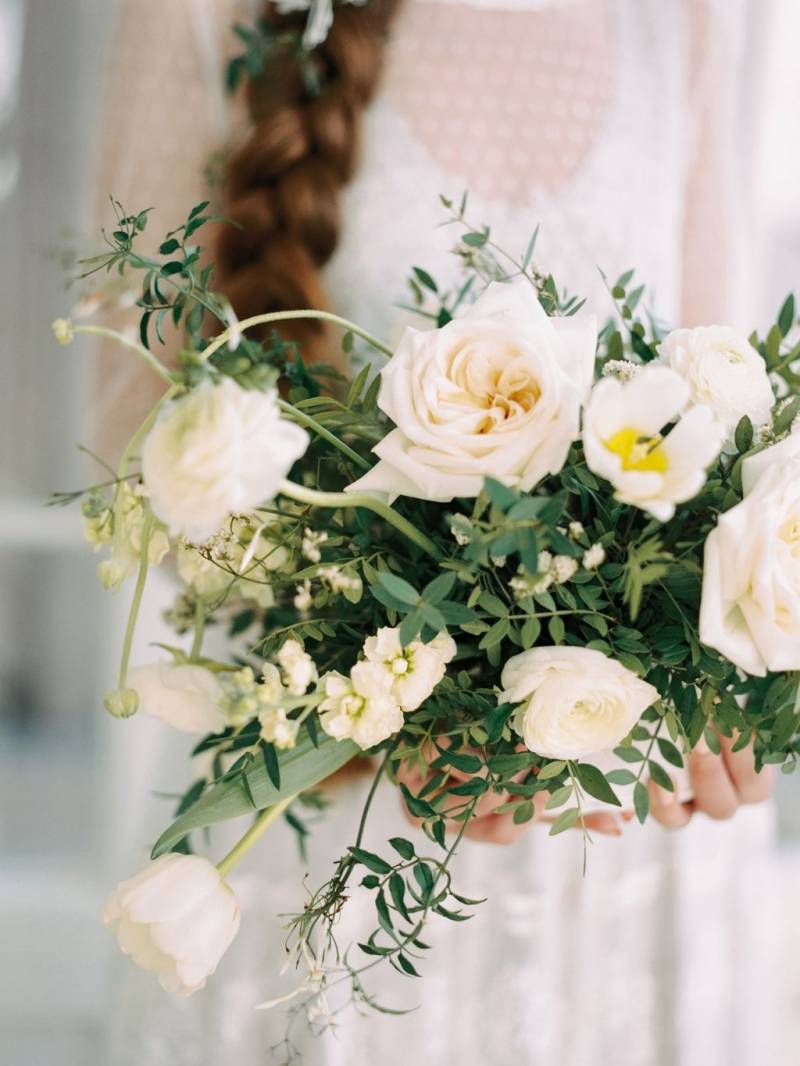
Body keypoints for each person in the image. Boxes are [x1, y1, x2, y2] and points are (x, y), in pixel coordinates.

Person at [103, 2, 783, 1064]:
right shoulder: (209, 15)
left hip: (620, 844)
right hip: (340, 837)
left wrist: (732, 687)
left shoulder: (695, 19)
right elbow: (139, 447)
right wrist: (370, 715)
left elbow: (730, 418)